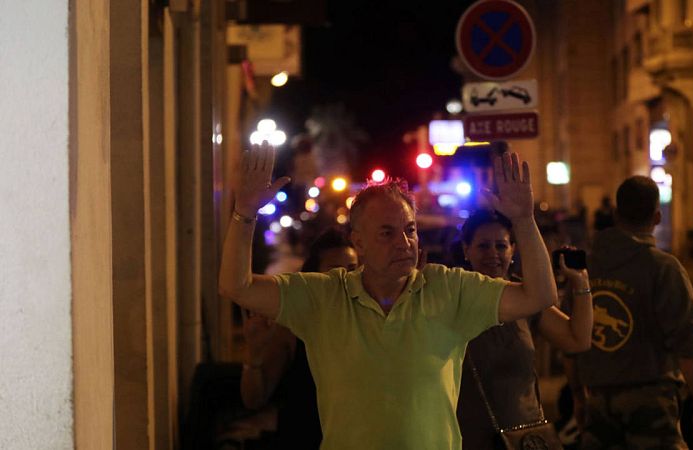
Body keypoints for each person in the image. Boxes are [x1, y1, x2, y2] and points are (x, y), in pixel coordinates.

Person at [219, 146, 559, 449]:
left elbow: (540, 295)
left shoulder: (448, 289)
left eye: (410, 230)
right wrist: (244, 215)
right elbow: (238, 287)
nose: (405, 243)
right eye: (387, 233)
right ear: (359, 242)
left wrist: (525, 220)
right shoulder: (323, 295)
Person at [565, 176, 693, 450]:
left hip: (598, 399)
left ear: (616, 215)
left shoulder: (585, 268)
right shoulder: (663, 268)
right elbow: (688, 343)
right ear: (656, 217)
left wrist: (578, 395)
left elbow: (570, 339)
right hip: (651, 401)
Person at [455, 209, 593, 450]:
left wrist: (581, 283)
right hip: (471, 438)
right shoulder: (454, 298)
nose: (493, 254)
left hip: (526, 439)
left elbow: (577, 339)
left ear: (513, 249)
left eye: (501, 246)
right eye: (483, 246)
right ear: (466, 250)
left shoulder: (527, 299)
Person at [240, 227, 358, 449]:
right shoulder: (292, 326)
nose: (345, 278)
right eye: (334, 270)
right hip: (302, 438)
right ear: (314, 275)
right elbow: (254, 399)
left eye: (352, 269)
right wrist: (254, 352)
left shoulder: (367, 322)